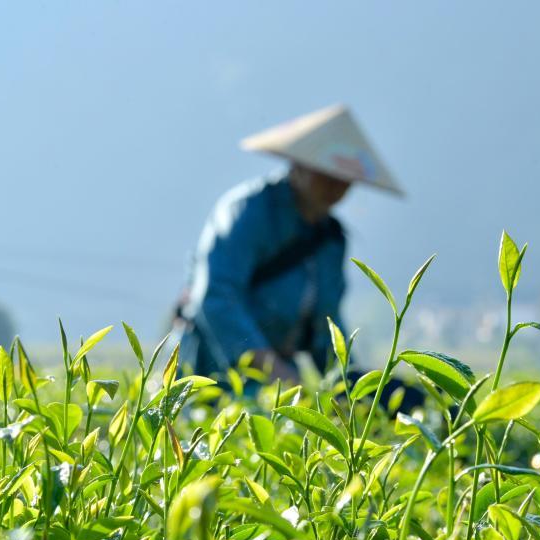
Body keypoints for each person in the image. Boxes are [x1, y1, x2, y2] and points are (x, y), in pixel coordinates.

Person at [174, 104, 412, 396]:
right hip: (211, 375)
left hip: (276, 388)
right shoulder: (248, 213)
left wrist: (352, 388)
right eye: (326, 174)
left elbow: (326, 329)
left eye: (343, 179)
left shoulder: (331, 241)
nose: (335, 186)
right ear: (299, 166)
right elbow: (217, 297)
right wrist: (278, 373)